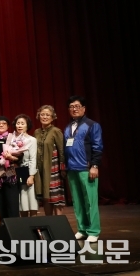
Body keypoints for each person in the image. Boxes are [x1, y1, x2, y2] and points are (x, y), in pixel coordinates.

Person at [64, 96, 103, 242]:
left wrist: (95, 165)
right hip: (71, 168)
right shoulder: (68, 127)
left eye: (77, 106)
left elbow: (97, 146)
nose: (74, 109)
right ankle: (82, 229)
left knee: (90, 201)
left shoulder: (92, 125)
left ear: (84, 108)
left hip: (86, 168)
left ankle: (93, 231)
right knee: (77, 201)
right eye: (71, 106)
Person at [34, 105, 66, 216]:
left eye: (47, 115)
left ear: (52, 117)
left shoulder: (56, 131)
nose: (45, 117)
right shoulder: (36, 132)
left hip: (53, 168)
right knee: (45, 195)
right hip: (40, 168)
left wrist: (63, 167)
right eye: (42, 114)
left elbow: (62, 150)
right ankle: (49, 221)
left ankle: (59, 222)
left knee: (55, 195)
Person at [0, 115, 20, 223]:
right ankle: (4, 226)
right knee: (0, 204)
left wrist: (11, 157)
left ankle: (14, 227)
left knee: (12, 203)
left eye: (4, 123)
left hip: (10, 174)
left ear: (8, 126)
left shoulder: (14, 139)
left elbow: (20, 156)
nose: (1, 125)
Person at [11, 114, 38, 217]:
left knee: (31, 199)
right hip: (16, 171)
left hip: (28, 171)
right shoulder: (12, 139)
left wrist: (31, 175)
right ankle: (24, 224)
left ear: (27, 125)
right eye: (18, 123)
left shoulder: (32, 140)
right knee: (21, 200)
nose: (19, 125)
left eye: (22, 123)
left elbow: (33, 158)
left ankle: (34, 224)